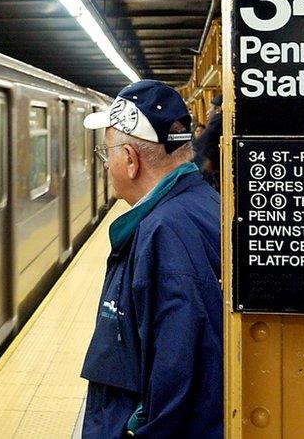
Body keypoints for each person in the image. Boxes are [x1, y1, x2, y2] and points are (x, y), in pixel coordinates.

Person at [79, 80, 222, 438]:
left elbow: (179, 386)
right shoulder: (198, 206)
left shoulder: (165, 234)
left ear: (130, 160)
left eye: (107, 153)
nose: (106, 165)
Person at [194, 95, 222, 191]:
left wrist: (208, 158)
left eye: (210, 108)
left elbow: (204, 142)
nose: (207, 112)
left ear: (218, 109)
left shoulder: (217, 121)